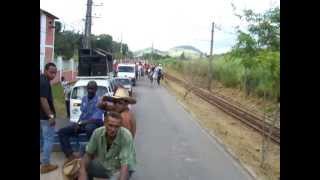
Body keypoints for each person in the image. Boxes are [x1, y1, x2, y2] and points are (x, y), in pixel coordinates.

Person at [77, 111, 136, 180]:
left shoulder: (126, 136)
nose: (113, 129)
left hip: (120, 168)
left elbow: (125, 165)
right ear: (105, 123)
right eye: (110, 125)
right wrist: (82, 172)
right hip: (105, 164)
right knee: (82, 167)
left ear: (120, 126)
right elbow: (88, 154)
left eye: (116, 127)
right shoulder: (97, 132)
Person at [58, 81, 104, 164]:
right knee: (62, 132)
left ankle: (91, 154)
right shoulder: (84, 98)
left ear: (96, 89)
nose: (90, 90)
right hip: (83, 123)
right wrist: (77, 123)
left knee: (89, 128)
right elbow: (83, 113)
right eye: (89, 88)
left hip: (95, 124)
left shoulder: (99, 101)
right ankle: (70, 155)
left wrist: (80, 123)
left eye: (92, 89)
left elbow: (95, 118)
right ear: (86, 89)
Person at [40, 62, 58, 174]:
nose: (53, 75)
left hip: (40, 117)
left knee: (42, 139)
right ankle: (45, 165)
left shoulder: (41, 79)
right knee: (48, 140)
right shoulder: (44, 83)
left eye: (55, 73)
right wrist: (51, 116)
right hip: (45, 117)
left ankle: (43, 161)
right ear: (45, 70)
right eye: (51, 72)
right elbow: (43, 100)